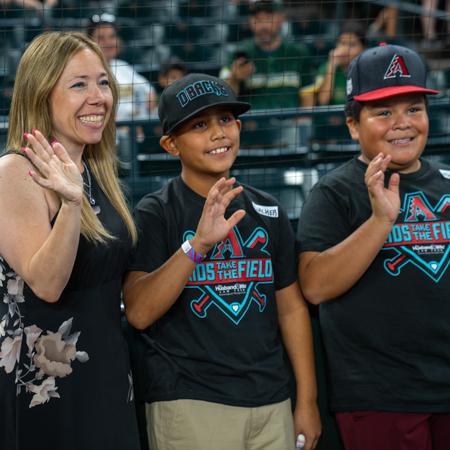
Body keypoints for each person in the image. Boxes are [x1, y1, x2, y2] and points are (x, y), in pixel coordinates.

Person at [124, 73, 322, 450]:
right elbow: (138, 311)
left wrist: (308, 401)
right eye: (199, 125)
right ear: (170, 144)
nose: (218, 133)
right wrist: (197, 245)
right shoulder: (156, 212)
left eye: (226, 120)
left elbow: (291, 309)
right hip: (190, 401)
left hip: (270, 399)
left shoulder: (268, 209)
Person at [296, 43, 450, 450]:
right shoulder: (335, 192)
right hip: (381, 394)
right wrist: (381, 221)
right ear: (352, 125)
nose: (403, 123)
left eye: (414, 108)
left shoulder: (448, 184)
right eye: (384, 112)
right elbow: (313, 285)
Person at [0, 31, 140, 450]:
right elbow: (47, 282)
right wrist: (71, 204)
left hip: (108, 374)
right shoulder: (13, 172)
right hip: (45, 392)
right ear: (41, 94)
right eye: (79, 84)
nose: (99, 96)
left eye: (103, 82)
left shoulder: (100, 173)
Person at [87, 13, 157, 167]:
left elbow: (150, 94)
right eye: (101, 37)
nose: (108, 42)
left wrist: (139, 118)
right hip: (105, 142)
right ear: (89, 41)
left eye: (112, 37)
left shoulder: (124, 67)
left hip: (134, 136)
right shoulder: (85, 70)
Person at [220, 0, 313, 109]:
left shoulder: (299, 52)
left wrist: (303, 121)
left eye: (269, 18)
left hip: (291, 122)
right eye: (258, 19)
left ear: (281, 19)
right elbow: (222, 98)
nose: (263, 25)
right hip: (251, 122)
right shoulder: (237, 52)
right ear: (250, 21)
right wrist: (234, 79)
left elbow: (308, 93)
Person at [306, 21, 366, 106]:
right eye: (342, 43)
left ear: (363, 48)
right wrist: (331, 65)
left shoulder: (367, 68)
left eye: (352, 45)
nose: (345, 49)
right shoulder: (326, 67)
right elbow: (323, 101)